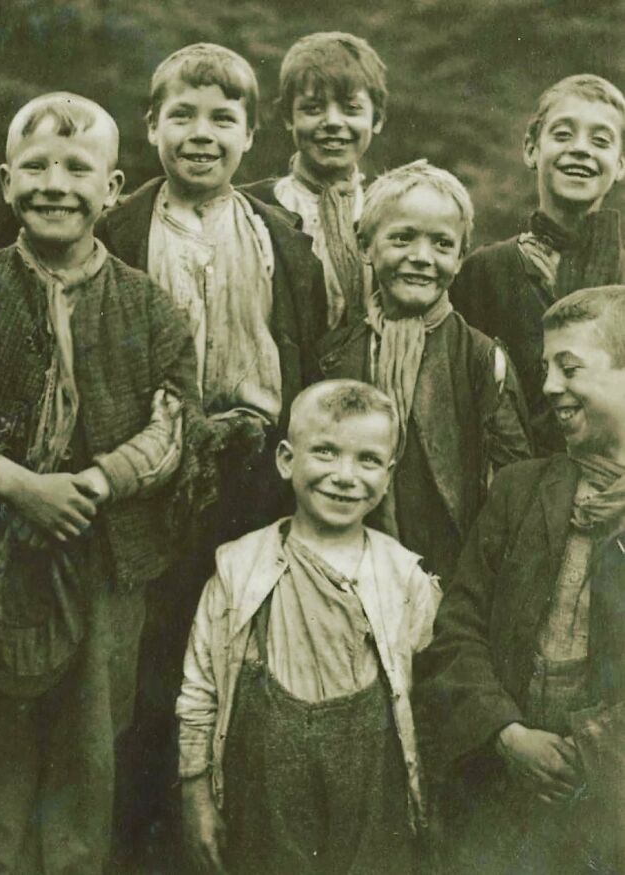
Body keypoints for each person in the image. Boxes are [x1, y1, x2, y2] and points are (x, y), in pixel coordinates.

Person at [0, 92, 201, 875]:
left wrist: (98, 482)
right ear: (6, 181)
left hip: (103, 550)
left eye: (78, 168)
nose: (55, 184)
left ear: (111, 189)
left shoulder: (149, 305)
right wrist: (15, 482)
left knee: (90, 735)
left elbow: (178, 420)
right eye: (36, 167)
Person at [95, 43, 328, 854]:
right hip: (153, 477)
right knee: (150, 661)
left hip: (255, 475)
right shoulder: (117, 231)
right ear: (151, 127)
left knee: (241, 650)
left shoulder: (279, 236)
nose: (202, 133)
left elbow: (307, 351)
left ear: (251, 136)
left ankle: (235, 838)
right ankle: (140, 841)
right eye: (183, 116)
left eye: (223, 119)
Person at [177, 379, 442, 875]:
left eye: (367, 460)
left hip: (371, 793)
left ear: (388, 475)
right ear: (285, 459)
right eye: (325, 451)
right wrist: (195, 791)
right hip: (265, 794)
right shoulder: (239, 569)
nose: (345, 476)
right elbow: (200, 689)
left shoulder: (403, 577)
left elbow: (428, 696)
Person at [414, 284, 625, 874]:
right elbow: (457, 628)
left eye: (570, 368)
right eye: (545, 368)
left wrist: (587, 750)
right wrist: (506, 734)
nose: (549, 386)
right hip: (504, 801)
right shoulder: (519, 490)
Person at [318, 160, 531, 581]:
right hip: (347, 571)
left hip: (449, 576)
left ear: (460, 258)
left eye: (442, 244)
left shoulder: (482, 361)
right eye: (401, 238)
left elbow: (510, 494)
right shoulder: (333, 356)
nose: (420, 257)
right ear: (365, 246)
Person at [451, 74, 625, 454]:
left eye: (600, 141)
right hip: (511, 479)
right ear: (531, 149)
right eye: (563, 135)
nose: (580, 149)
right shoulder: (483, 272)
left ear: (621, 164)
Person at [243, 31, 387, 328]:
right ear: (288, 117)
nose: (333, 122)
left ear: (377, 118)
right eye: (313, 109)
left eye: (351, 109)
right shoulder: (250, 208)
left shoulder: (389, 214)